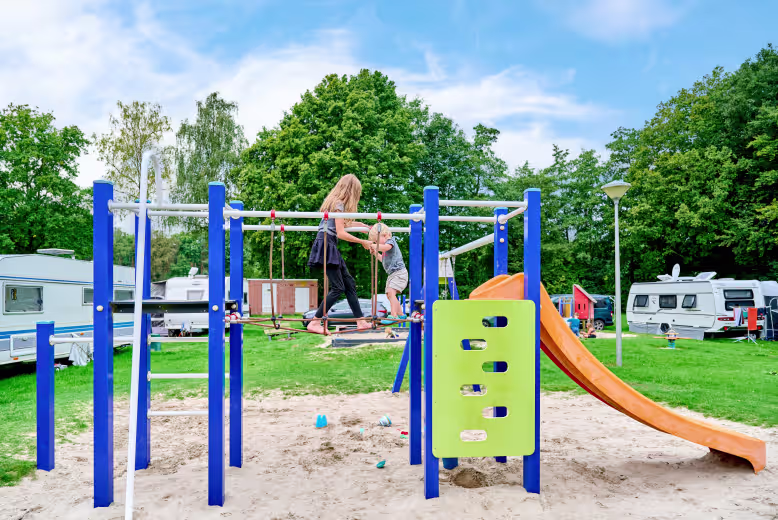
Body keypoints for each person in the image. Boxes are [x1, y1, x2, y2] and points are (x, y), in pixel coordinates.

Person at [307, 174, 373, 334]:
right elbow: (341, 233)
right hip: (327, 244)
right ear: (351, 191)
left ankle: (360, 321)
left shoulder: (335, 204)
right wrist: (362, 241)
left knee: (349, 283)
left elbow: (342, 224)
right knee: (338, 287)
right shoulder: (338, 204)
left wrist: (362, 226)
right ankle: (315, 322)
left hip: (328, 244)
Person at [367, 224, 408, 324]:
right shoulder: (386, 248)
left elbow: (385, 247)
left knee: (391, 292)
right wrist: (375, 253)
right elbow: (383, 259)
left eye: (377, 241)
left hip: (399, 273)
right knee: (389, 295)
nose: (376, 243)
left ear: (385, 235)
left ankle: (393, 315)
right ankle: (401, 314)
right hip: (393, 274)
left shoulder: (390, 241)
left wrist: (374, 246)